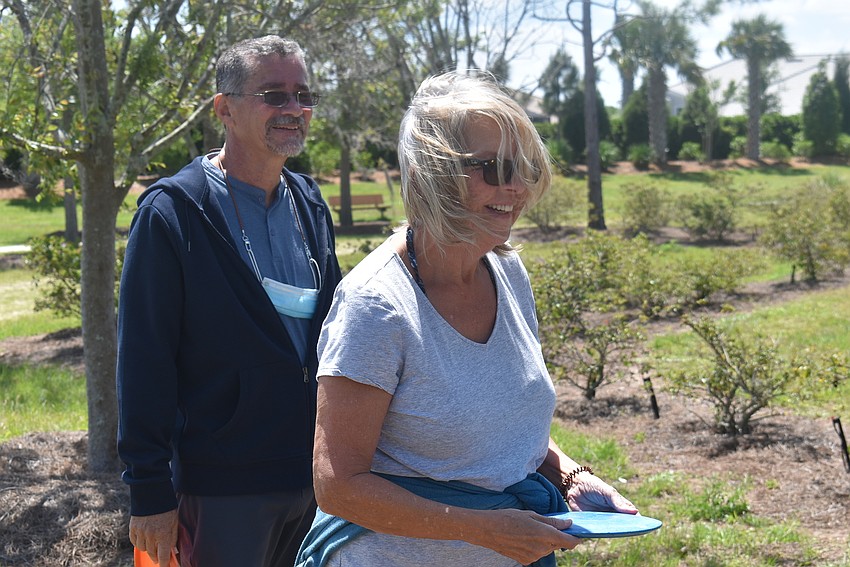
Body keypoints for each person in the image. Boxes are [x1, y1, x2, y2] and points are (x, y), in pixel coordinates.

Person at [295, 71, 638, 567]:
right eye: (494, 169)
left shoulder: (507, 272)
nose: (516, 187)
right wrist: (481, 529)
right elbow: (338, 486)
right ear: (434, 173)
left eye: (523, 167)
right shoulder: (376, 306)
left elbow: (501, 428)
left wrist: (569, 476)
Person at [116, 35, 342, 567]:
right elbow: (144, 361)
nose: (293, 109)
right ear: (225, 109)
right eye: (273, 95)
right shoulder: (174, 213)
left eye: (302, 96)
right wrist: (149, 491)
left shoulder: (309, 204)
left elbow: (338, 332)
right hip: (222, 490)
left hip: (315, 484)